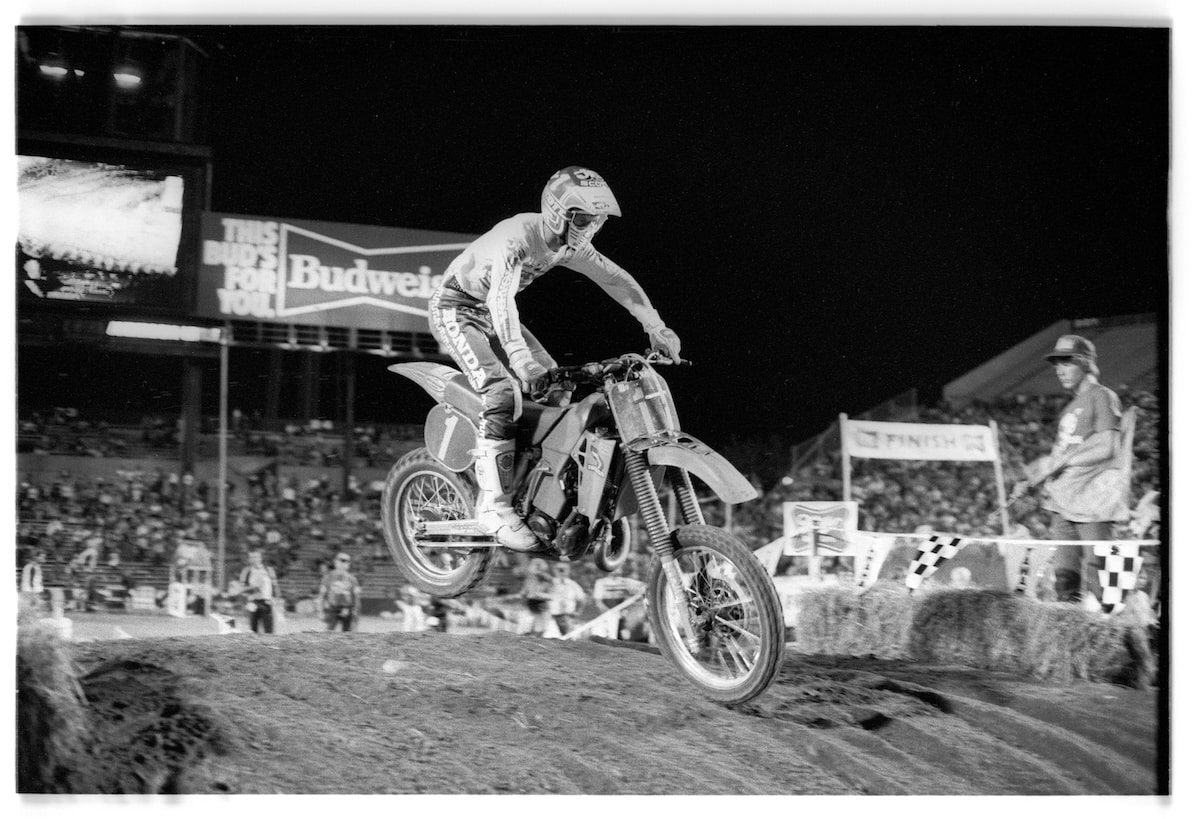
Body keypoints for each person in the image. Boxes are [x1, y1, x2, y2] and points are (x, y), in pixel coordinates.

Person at [428, 167, 682, 549]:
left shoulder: (567, 244)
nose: (591, 227)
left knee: (558, 388)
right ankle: (493, 504)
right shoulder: (518, 237)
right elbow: (501, 300)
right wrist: (519, 358)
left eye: (596, 220)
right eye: (583, 218)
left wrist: (655, 326)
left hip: (493, 315)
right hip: (458, 308)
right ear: (557, 212)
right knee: (501, 392)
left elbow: (615, 278)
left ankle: (536, 488)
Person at [1014, 334, 1128, 607]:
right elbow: (1059, 457)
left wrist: (1064, 461)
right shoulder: (1070, 406)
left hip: (1093, 504)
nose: (1060, 370)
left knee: (1099, 583)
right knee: (1065, 584)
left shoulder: (1101, 396)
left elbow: (1109, 446)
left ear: (1086, 362)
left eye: (1067, 362)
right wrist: (1032, 480)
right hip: (1063, 503)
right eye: (1057, 364)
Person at [239, 548, 279, 634]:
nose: (254, 559)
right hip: (253, 602)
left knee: (269, 631)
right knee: (253, 630)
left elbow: (275, 586)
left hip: (267, 602)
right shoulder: (246, 571)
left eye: (256, 557)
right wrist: (253, 588)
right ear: (249, 559)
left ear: (261, 558)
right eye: (252, 557)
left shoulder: (269, 570)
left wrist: (277, 599)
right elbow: (242, 589)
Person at [318, 552, 361, 632]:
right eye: (341, 560)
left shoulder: (353, 579)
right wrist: (320, 611)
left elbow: (356, 598)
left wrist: (356, 615)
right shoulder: (327, 577)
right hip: (332, 609)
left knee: (348, 636)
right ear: (336, 562)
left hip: (348, 610)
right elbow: (322, 595)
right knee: (328, 634)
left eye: (346, 561)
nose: (343, 563)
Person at [547, 563, 589, 638]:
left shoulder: (573, 585)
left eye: (564, 569)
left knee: (569, 638)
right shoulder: (549, 584)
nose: (561, 571)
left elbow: (582, 599)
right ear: (554, 570)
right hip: (552, 617)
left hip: (568, 616)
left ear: (568, 570)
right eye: (559, 569)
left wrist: (578, 612)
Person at [520, 558, 554, 637]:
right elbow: (524, 592)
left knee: (541, 628)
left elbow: (552, 595)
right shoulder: (529, 579)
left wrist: (539, 594)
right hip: (532, 604)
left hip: (542, 605)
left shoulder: (547, 580)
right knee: (534, 626)